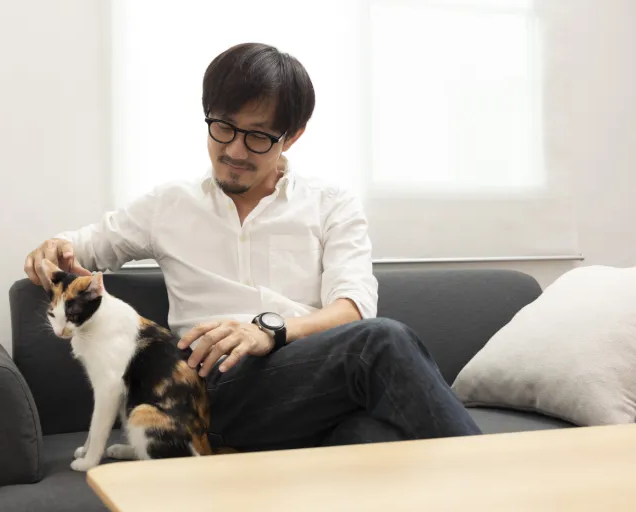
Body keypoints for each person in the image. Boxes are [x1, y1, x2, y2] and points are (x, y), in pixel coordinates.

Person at [24, 42, 481, 452]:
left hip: (309, 387)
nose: (236, 151)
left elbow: (353, 309)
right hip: (207, 391)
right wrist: (52, 250)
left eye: (258, 136)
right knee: (381, 344)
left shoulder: (331, 204)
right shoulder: (169, 204)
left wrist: (269, 331)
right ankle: (500, 483)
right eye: (223, 127)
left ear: (293, 136)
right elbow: (81, 246)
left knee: (371, 438)